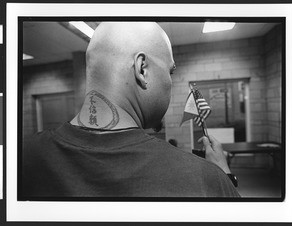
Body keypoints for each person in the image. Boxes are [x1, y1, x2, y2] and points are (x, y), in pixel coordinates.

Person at [22, 22, 240, 198]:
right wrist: (224, 178)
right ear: (142, 69)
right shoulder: (204, 180)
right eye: (170, 72)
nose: (170, 82)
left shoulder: (18, 158)